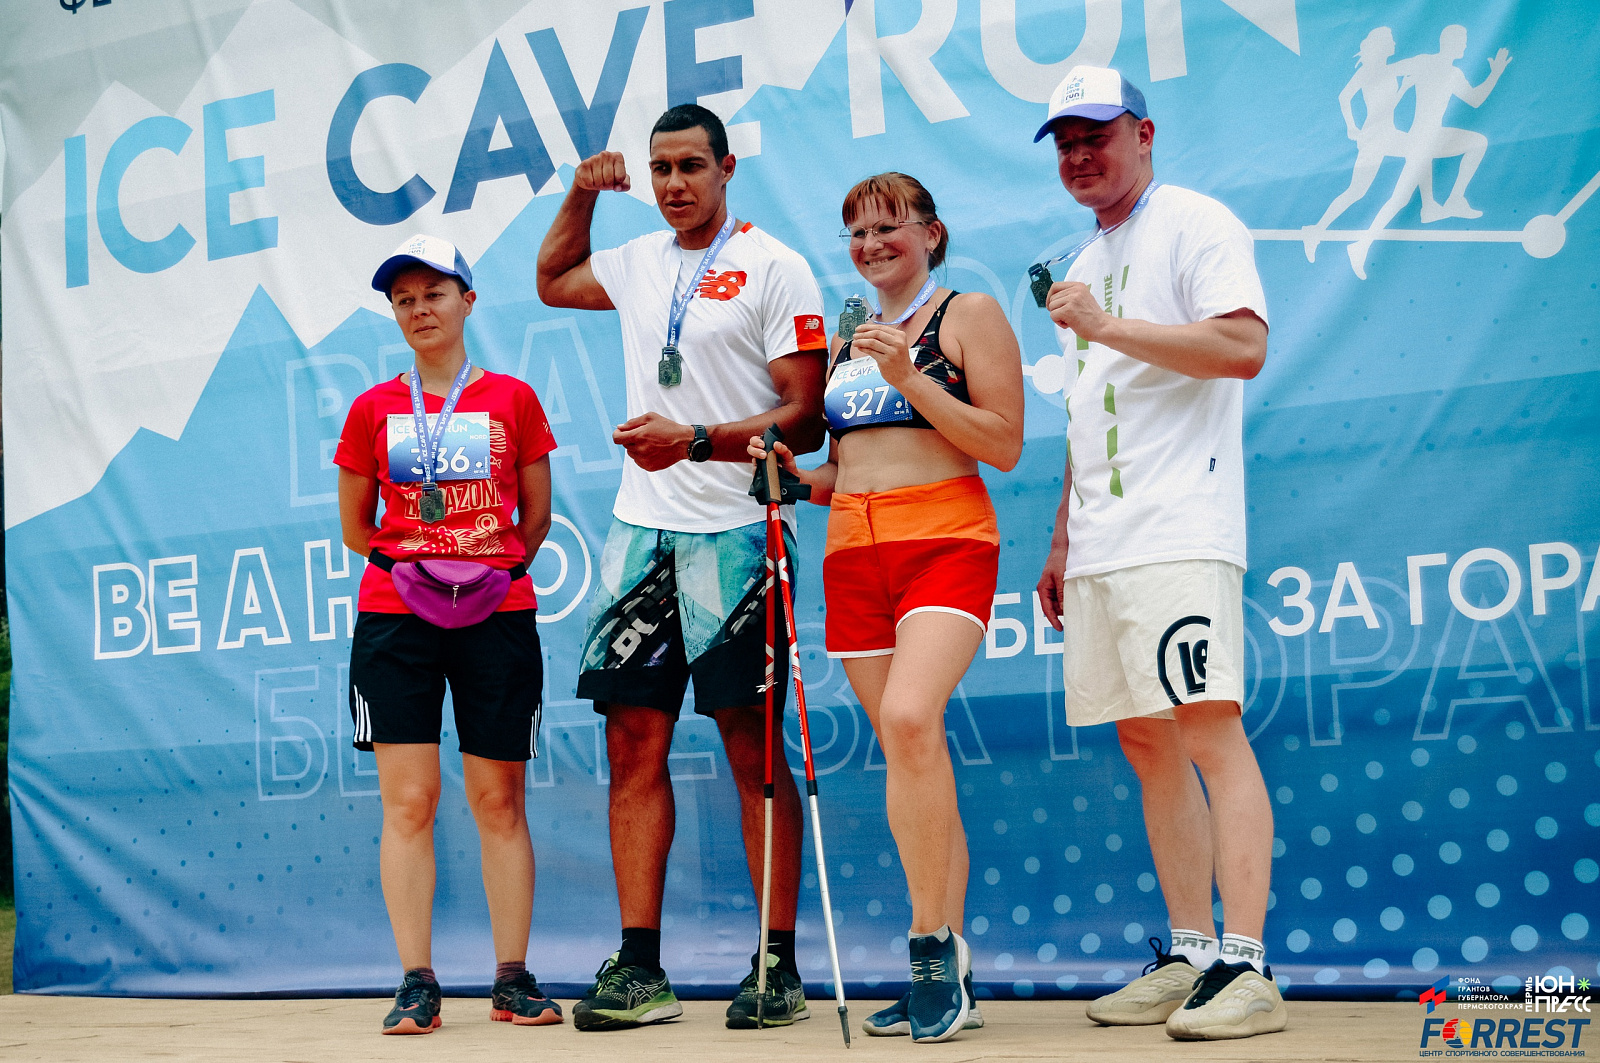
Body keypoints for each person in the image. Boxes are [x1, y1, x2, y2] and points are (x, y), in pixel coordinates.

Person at [535, 104, 827, 1031]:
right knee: (632, 744)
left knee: (751, 748)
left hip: (738, 531)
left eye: (691, 166)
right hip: (640, 534)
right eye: (660, 169)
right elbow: (552, 279)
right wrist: (582, 195)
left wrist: (696, 439)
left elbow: (806, 416)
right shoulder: (637, 261)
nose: (672, 185)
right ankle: (640, 967)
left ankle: (776, 966)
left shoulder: (774, 265)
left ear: (726, 168)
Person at [1029, 67, 1286, 1040]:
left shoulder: (1195, 222)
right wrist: (1063, 535)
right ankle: (1189, 952)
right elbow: (1087, 406)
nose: (1079, 156)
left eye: (1095, 135)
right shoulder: (1082, 257)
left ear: (1143, 133)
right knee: (1147, 742)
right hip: (1101, 544)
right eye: (1065, 143)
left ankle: (1249, 965)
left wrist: (1106, 324)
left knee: (1208, 727)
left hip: (1180, 528)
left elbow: (1242, 347)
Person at [751, 173, 1023, 1043]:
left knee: (910, 718)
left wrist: (910, 374)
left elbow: (1003, 442)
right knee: (912, 746)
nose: (871, 245)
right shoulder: (845, 336)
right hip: (854, 554)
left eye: (888, 227)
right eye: (857, 233)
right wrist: (796, 477)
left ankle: (929, 949)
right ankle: (949, 963)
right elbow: (847, 466)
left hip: (945, 538)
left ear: (931, 233)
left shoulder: (968, 313)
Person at [335, 234, 560, 1034]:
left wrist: (483, 567)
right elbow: (357, 527)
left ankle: (512, 979)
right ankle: (416, 981)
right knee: (410, 801)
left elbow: (536, 515)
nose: (419, 309)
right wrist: (421, 564)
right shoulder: (372, 408)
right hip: (397, 618)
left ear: (468, 300)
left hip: (497, 614)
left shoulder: (513, 398)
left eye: (434, 293)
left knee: (499, 798)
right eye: (404, 300)